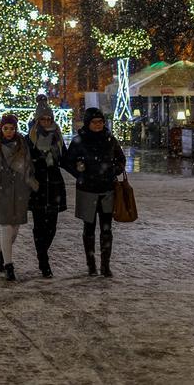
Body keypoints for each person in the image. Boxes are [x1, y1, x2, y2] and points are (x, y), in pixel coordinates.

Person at [64, 107, 126, 278]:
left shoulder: (110, 139)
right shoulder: (79, 141)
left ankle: (105, 265)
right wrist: (80, 173)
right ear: (88, 123)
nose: (98, 125)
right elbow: (68, 161)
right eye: (94, 122)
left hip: (106, 190)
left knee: (107, 229)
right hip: (87, 191)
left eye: (100, 122)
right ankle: (91, 265)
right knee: (89, 228)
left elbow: (121, 159)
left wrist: (114, 170)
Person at [0, 113, 39, 282]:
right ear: (1, 128)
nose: (9, 131)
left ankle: (2, 253)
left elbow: (29, 166)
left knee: (14, 231)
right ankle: (9, 266)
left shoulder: (22, 146)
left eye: (12, 128)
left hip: (19, 192)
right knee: (7, 228)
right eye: (6, 128)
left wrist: (28, 181)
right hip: (2, 193)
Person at [27, 100, 67, 278]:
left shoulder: (57, 137)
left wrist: (83, 170)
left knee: (51, 227)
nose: (46, 121)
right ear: (37, 120)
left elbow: (65, 159)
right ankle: (44, 261)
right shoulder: (30, 138)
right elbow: (23, 162)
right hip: (37, 187)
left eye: (48, 118)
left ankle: (41, 252)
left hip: (54, 186)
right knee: (39, 226)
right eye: (42, 119)